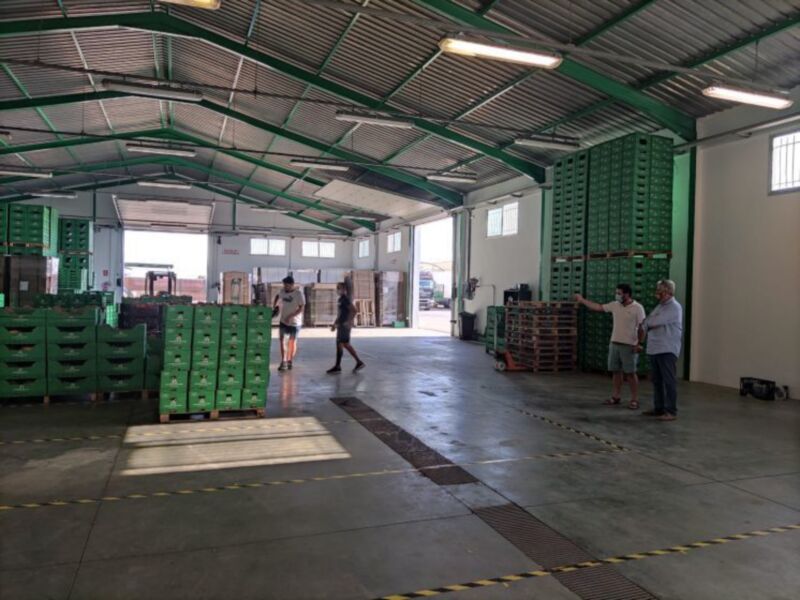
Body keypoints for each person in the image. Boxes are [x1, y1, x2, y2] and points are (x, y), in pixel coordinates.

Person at [575, 283, 646, 409]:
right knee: (615, 371)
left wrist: (639, 343)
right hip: (614, 343)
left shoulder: (637, 308)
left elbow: (642, 327)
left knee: (630, 373)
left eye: (619, 293)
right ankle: (616, 396)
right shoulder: (615, 305)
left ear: (627, 294)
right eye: (616, 293)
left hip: (629, 345)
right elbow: (598, 307)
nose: (617, 295)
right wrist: (582, 300)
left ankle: (634, 399)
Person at [638, 280, 683, 421]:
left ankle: (671, 410)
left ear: (669, 292)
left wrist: (647, 323)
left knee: (668, 381)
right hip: (655, 349)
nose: (658, 294)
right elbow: (646, 322)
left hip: (667, 349)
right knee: (657, 381)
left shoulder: (674, 307)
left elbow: (651, 322)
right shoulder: (660, 307)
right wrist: (646, 324)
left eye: (661, 292)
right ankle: (659, 408)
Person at [327, 282, 365, 374]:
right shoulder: (340, 299)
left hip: (344, 326)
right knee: (341, 345)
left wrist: (349, 321)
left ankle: (358, 362)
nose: (338, 290)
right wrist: (334, 324)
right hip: (340, 325)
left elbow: (354, 310)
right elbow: (340, 314)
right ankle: (338, 366)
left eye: (340, 288)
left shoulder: (345, 299)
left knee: (345, 344)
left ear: (344, 290)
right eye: (337, 288)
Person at [273, 276, 305, 371]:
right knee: (282, 341)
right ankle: (284, 362)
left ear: (292, 285)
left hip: (295, 323)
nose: (285, 287)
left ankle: (290, 360)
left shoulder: (299, 294)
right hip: (283, 321)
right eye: (284, 285)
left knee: (292, 342)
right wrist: (275, 306)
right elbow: (278, 296)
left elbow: (301, 309)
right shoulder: (283, 291)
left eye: (287, 285)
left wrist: (290, 316)